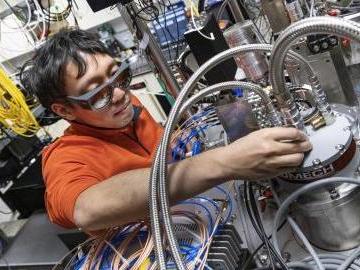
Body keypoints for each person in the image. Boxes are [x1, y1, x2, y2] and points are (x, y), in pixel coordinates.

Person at [21, 28, 312, 233]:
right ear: (65, 110)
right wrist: (224, 162)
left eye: (117, 75)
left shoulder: (123, 107)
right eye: (96, 93)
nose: (120, 94)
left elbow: (165, 149)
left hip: (207, 213)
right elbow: (86, 209)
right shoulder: (64, 158)